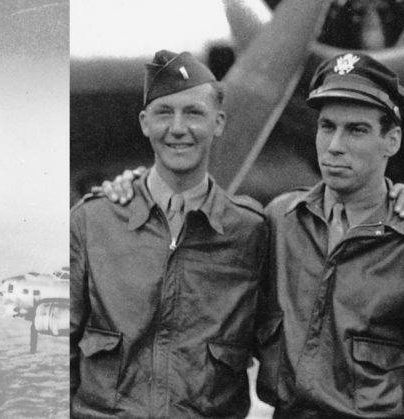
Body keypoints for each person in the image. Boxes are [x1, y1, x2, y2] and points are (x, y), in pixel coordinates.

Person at [254, 52, 404, 418]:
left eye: (356, 129)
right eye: (327, 126)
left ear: (392, 140)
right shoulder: (280, 220)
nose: (335, 145)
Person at [70, 50, 269, 418]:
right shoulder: (92, 221)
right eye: (164, 112)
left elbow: (289, 338)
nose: (178, 128)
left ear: (219, 122)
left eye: (194, 112)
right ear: (145, 122)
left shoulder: (249, 232)